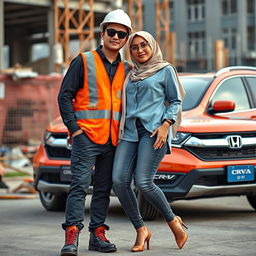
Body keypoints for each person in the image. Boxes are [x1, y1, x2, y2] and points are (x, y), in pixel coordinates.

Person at [58, 9, 132, 256]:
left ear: (126, 39)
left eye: (121, 34)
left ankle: (97, 234)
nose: (116, 37)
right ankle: (71, 236)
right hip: (86, 137)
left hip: (113, 140)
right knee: (79, 186)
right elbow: (65, 96)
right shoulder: (84, 60)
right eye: (111, 32)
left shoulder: (127, 69)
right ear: (103, 33)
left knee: (102, 189)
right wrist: (75, 130)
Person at [112, 31, 187, 252]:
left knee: (143, 182)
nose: (140, 50)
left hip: (154, 131)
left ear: (152, 46)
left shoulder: (165, 70)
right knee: (119, 180)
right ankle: (141, 229)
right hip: (129, 132)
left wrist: (166, 124)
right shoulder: (129, 73)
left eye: (144, 45)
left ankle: (174, 222)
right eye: (134, 47)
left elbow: (175, 100)